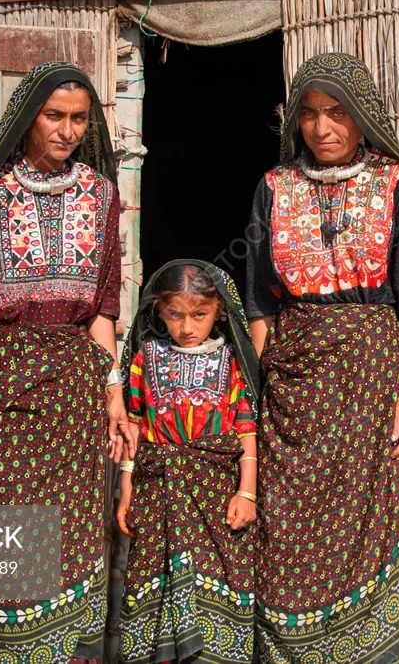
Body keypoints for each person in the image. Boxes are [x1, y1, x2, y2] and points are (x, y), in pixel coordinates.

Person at [0, 61, 134, 664]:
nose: (67, 130)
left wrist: (113, 393)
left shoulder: (101, 196)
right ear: (27, 119)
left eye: (78, 119)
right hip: (5, 384)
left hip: (75, 385)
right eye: (54, 116)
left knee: (73, 532)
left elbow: (102, 307)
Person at [244, 52, 399, 663]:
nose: (322, 128)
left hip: (373, 381)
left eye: (338, 113)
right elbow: (259, 300)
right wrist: (258, 392)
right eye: (311, 115)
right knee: (288, 525)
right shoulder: (275, 188)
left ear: (363, 118)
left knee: (374, 519)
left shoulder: (397, 183)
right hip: (294, 388)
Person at [115, 260, 260, 664]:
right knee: (154, 586)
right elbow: (134, 426)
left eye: (199, 315)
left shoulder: (232, 362)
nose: (187, 327)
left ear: (218, 312)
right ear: (159, 310)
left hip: (215, 497)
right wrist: (126, 490)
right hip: (156, 491)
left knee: (215, 586)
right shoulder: (146, 358)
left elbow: (247, 431)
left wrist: (246, 493)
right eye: (175, 315)